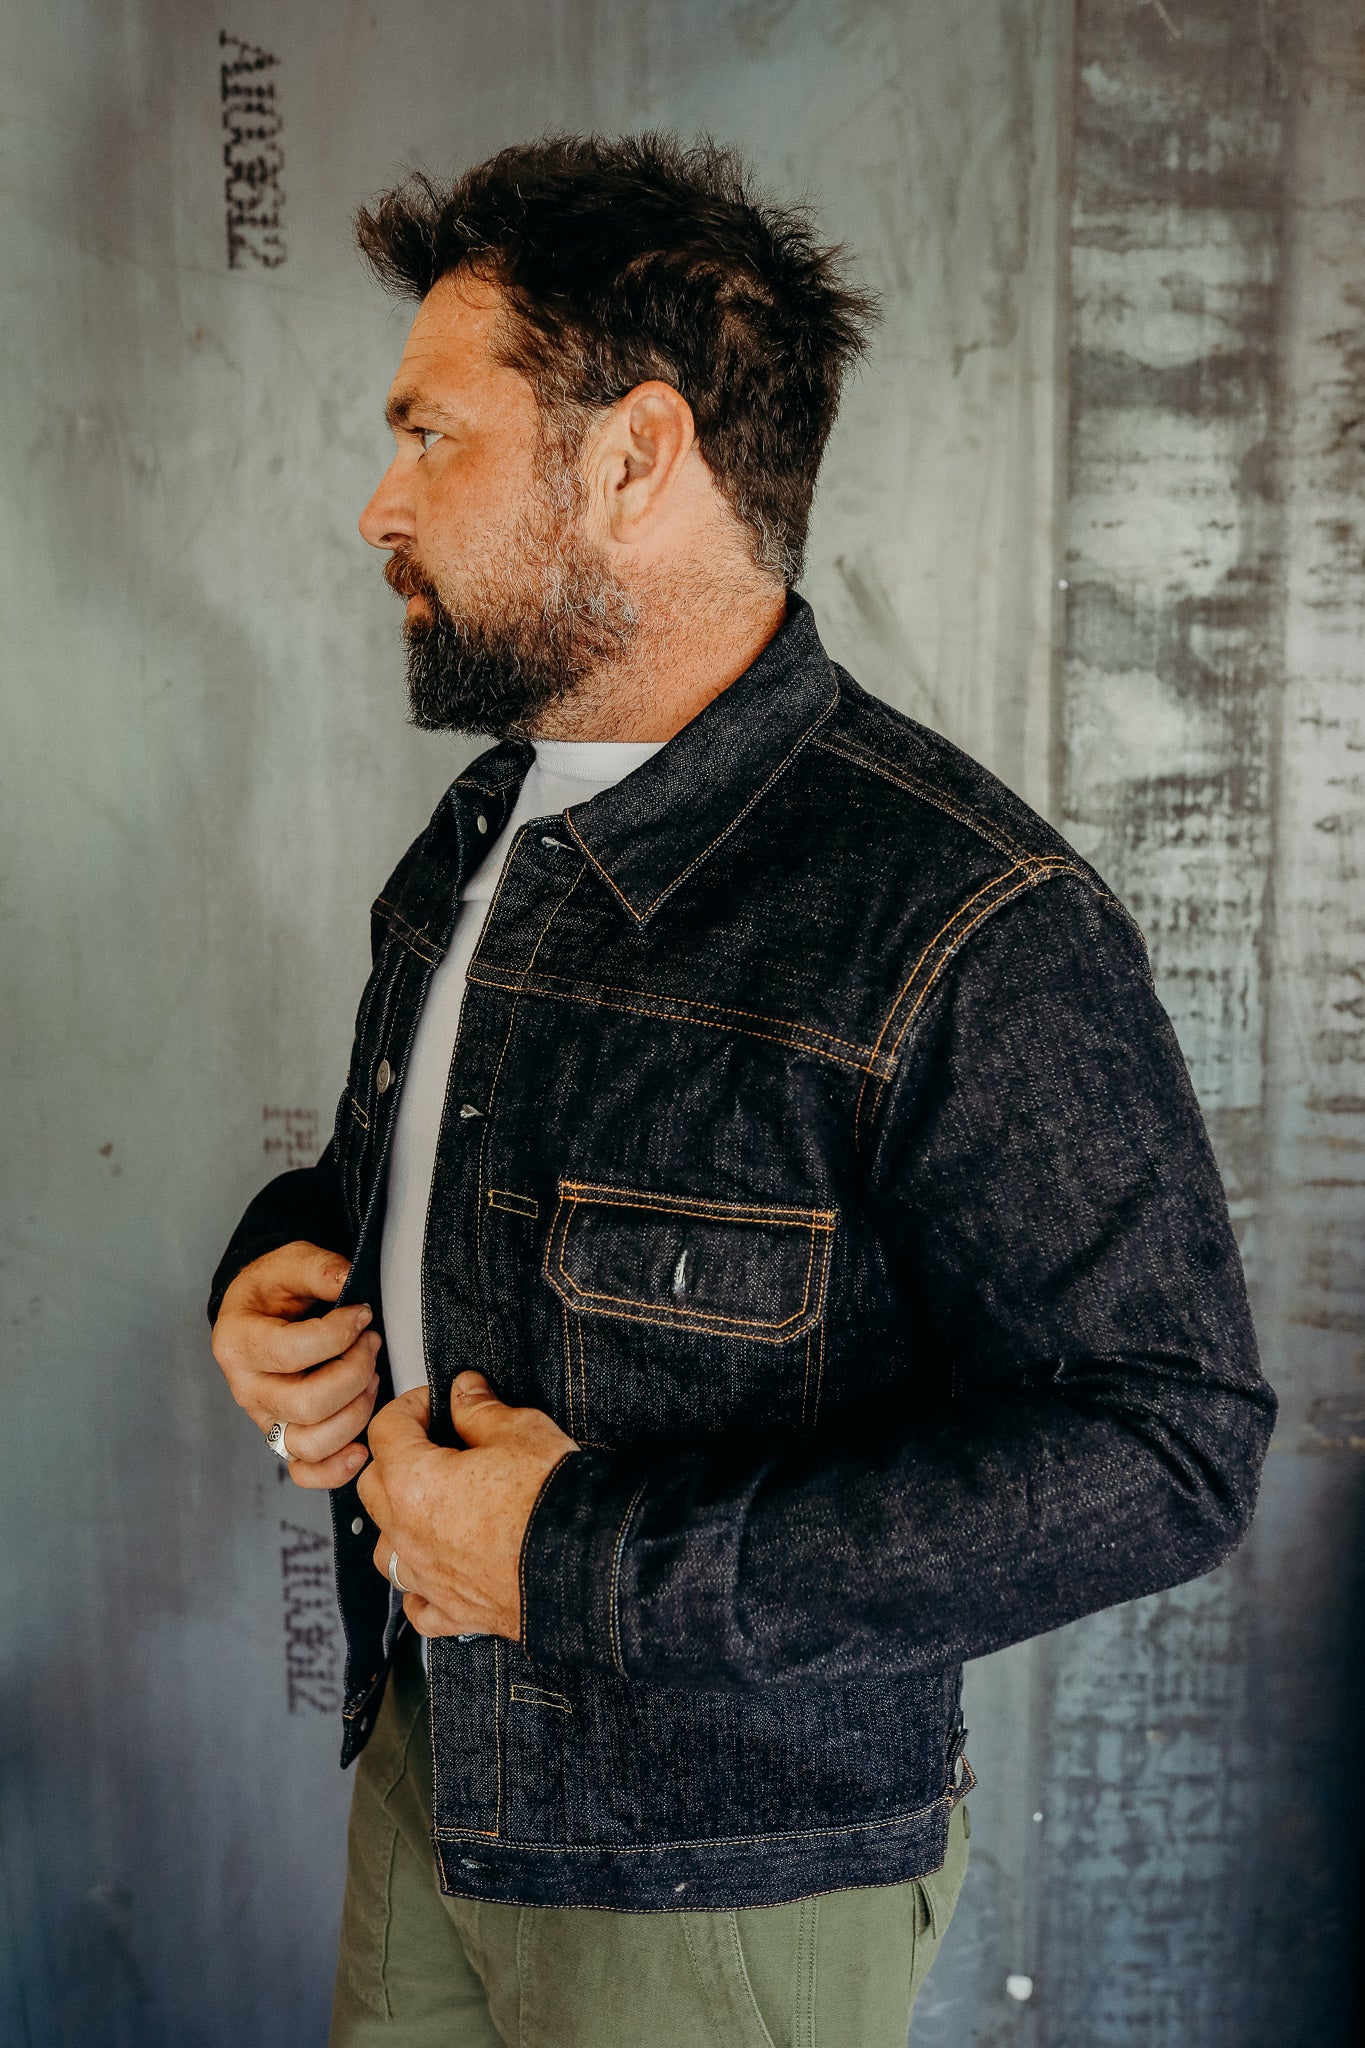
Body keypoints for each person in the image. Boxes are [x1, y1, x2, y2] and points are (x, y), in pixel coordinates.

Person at [208, 134, 1275, 2047]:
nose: (379, 504)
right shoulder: (490, 819)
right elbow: (431, 1171)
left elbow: (1165, 1450)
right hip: (430, 1770)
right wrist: (286, 1269)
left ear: (633, 456)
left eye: (431, 435)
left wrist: (571, 1558)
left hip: (719, 1883)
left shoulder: (968, 914)